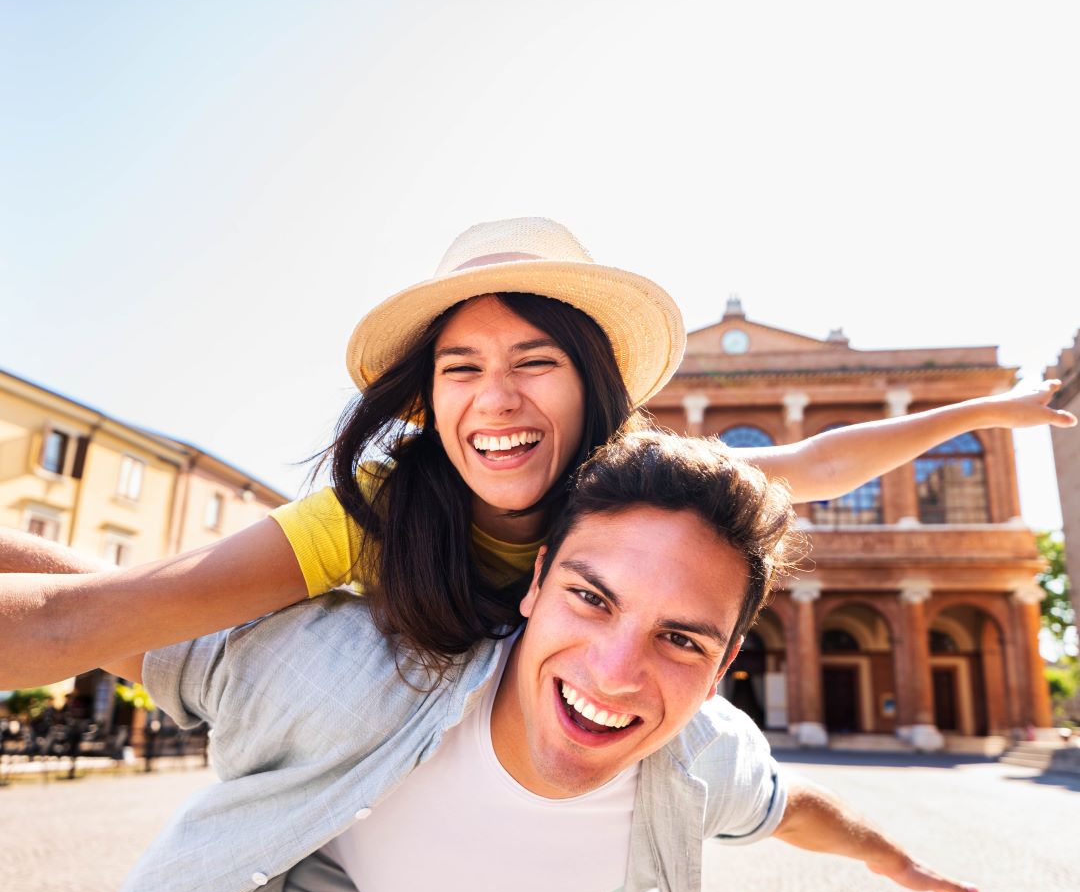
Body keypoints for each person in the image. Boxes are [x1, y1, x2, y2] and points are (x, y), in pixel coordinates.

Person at [76, 432, 976, 892]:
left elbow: (794, 807)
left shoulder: (704, 756)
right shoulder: (351, 666)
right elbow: (104, 612)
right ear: (536, 582)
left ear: (724, 667)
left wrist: (891, 857)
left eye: (682, 640)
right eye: (592, 599)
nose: (616, 674)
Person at [0, 217, 1074, 689]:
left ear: (596, 381)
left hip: (495, 770)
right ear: (423, 399)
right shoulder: (377, 504)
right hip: (312, 712)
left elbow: (824, 460)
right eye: (460, 368)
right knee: (143, 633)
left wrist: (1009, 412)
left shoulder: (633, 491)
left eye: (536, 361)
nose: (497, 401)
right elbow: (94, 617)